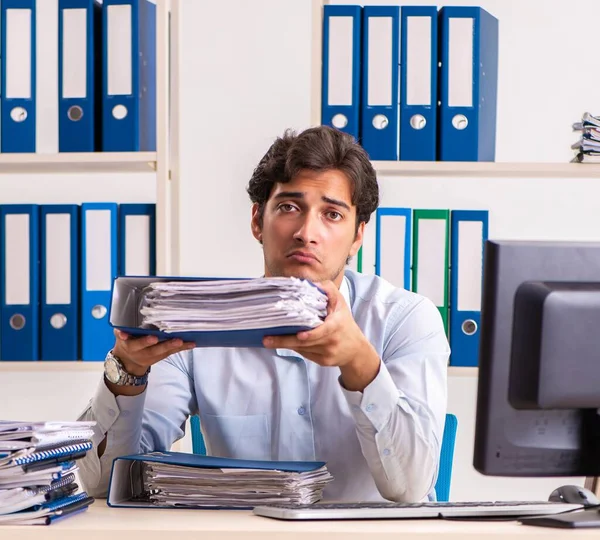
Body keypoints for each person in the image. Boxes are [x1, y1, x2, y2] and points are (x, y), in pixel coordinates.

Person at [77, 126, 449, 503]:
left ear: (357, 236)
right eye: (290, 207)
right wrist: (126, 374)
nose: (307, 232)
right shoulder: (197, 322)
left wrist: (360, 362)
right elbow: (104, 483)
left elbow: (411, 488)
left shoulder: (406, 319)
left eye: (332, 214)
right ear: (258, 220)